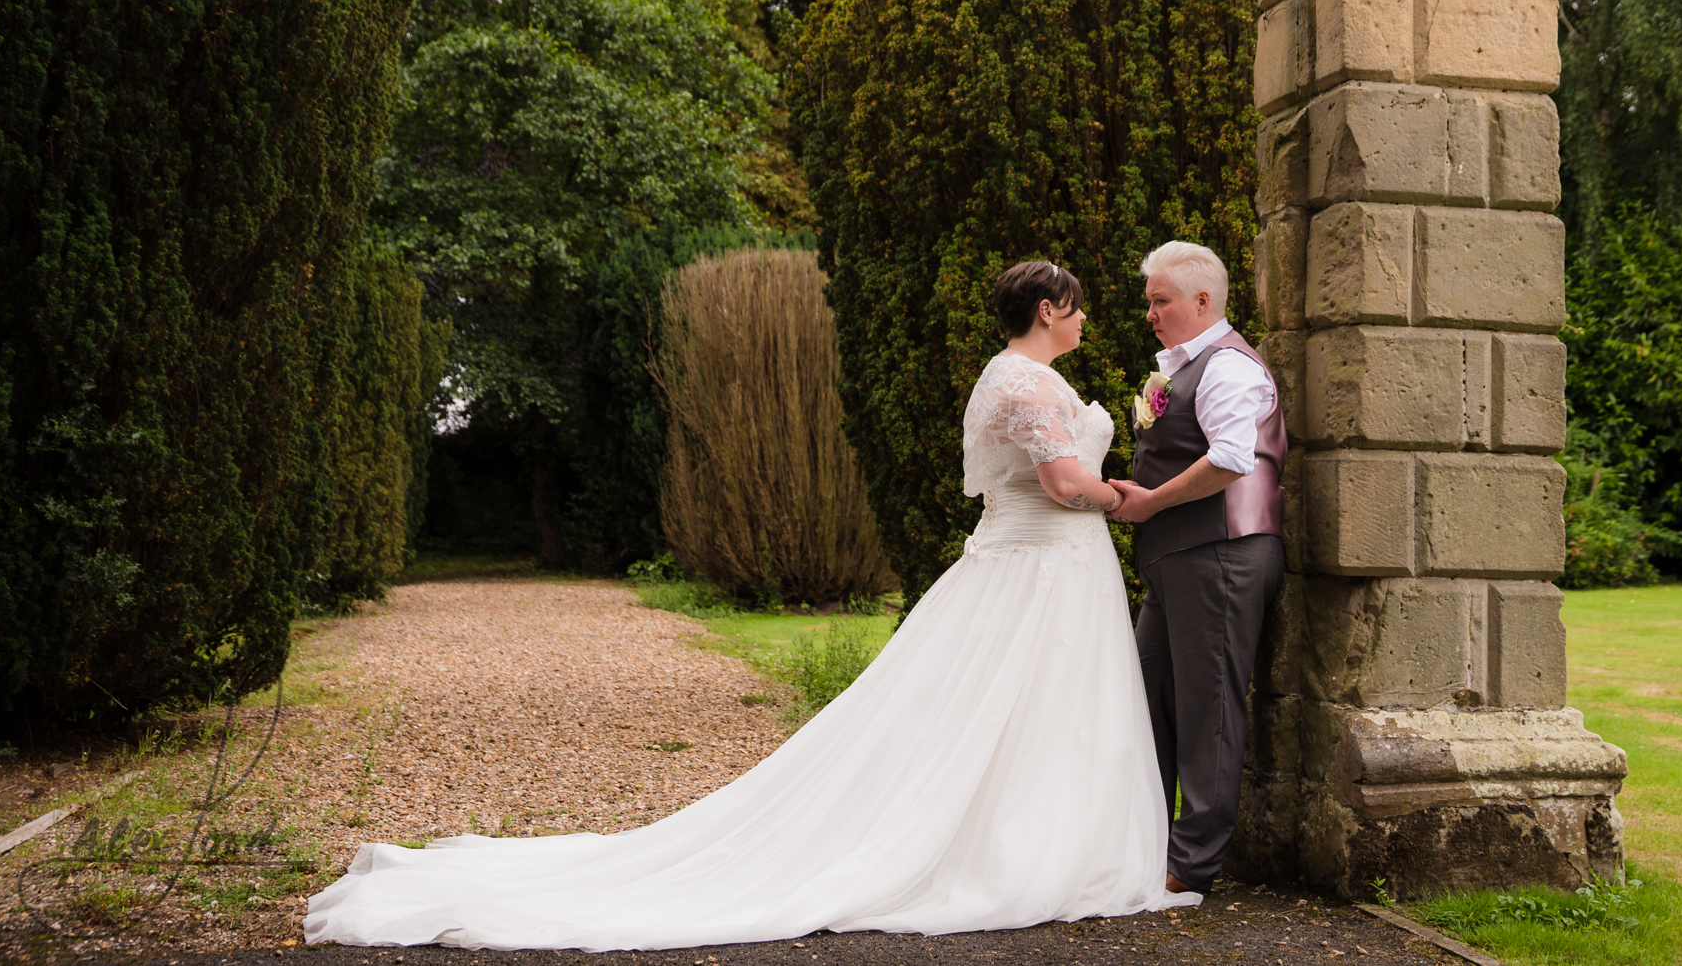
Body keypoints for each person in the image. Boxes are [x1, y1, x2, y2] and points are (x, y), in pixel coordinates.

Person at [302, 260, 1198, 952]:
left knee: (1023, 717)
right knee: (1021, 713)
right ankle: (1024, 853)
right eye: (1076, 306)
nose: (1085, 319)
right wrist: (1128, 496)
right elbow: (1061, 480)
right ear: (1049, 309)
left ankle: (1038, 839)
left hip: (1032, 564)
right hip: (1038, 570)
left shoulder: (1003, 376)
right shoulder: (1029, 383)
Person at [1107, 242, 1287, 896]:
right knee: (1147, 694)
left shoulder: (1229, 368)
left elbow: (1235, 456)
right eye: (1150, 300)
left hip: (1222, 553)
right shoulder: (1181, 369)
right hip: (1182, 558)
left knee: (1208, 703)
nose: (1150, 313)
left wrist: (1151, 500)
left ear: (1203, 301)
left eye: (1162, 300)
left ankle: (1192, 864)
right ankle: (1146, 841)